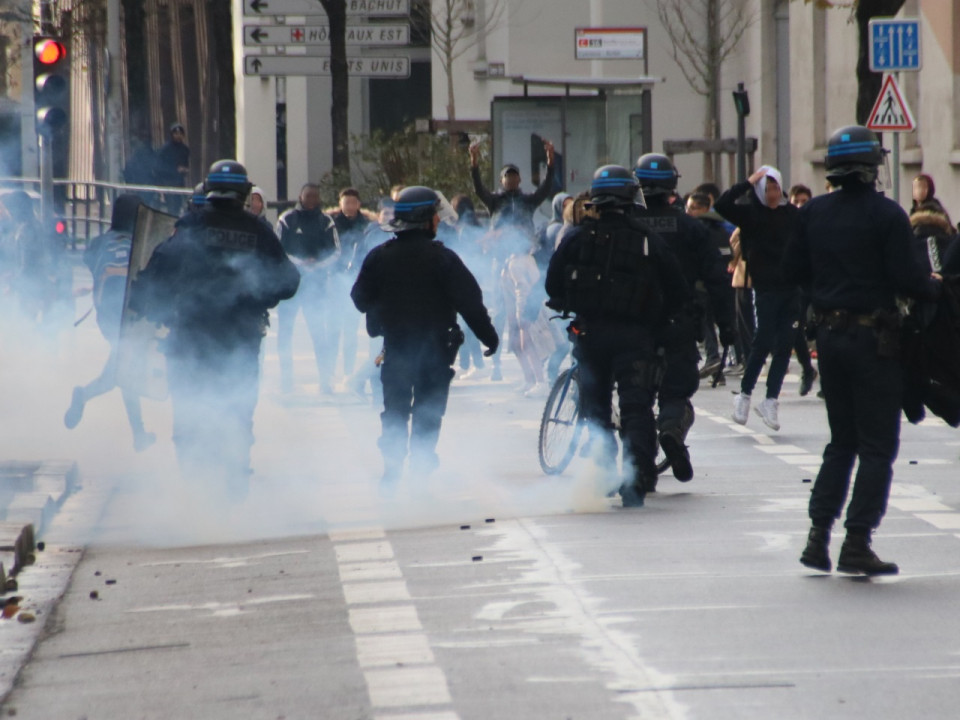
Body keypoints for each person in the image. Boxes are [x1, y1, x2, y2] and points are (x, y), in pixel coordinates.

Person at [784, 126, 942, 575]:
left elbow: (792, 270)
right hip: (875, 341)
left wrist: (827, 293)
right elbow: (909, 278)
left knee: (842, 441)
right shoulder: (887, 214)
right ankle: (857, 541)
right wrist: (935, 288)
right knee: (876, 446)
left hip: (829, 340)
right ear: (872, 168)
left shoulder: (813, 213)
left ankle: (818, 537)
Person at [129, 160, 300, 498]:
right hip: (240, 341)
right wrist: (260, 296)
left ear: (208, 189)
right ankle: (234, 482)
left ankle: (195, 487)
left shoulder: (189, 228)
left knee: (190, 410)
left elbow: (155, 277)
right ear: (244, 191)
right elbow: (289, 281)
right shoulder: (257, 231)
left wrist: (147, 307)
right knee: (237, 411)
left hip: (190, 339)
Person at [545, 166, 691, 507]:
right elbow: (678, 290)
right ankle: (636, 480)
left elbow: (552, 284)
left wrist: (570, 301)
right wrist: (662, 320)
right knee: (636, 409)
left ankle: (602, 474)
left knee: (595, 408)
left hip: (589, 335)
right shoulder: (647, 239)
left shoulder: (576, 238)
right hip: (635, 338)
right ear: (629, 198)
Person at [351, 186, 499, 483]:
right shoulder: (443, 258)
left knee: (394, 413)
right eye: (435, 215)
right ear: (424, 219)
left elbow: (359, 299)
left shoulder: (379, 257)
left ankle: (392, 473)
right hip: (435, 353)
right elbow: (470, 303)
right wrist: (489, 337)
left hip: (396, 350)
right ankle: (419, 476)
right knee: (427, 415)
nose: (439, 220)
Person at [634, 153, 735, 484]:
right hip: (678, 322)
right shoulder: (692, 228)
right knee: (676, 391)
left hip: (636, 325)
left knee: (636, 400)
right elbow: (717, 280)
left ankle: (640, 469)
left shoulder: (628, 225)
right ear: (672, 186)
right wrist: (727, 327)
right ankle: (671, 428)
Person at [64, 195, 155, 451]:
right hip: (131, 318)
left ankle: (139, 434)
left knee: (123, 370)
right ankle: (85, 394)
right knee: (122, 373)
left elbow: (89, 262)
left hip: (107, 319)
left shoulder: (99, 243)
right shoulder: (139, 244)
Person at [716, 165, 799, 431]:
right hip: (764, 288)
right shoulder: (751, 214)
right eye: (768, 188)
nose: (773, 194)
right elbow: (722, 204)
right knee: (762, 342)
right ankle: (744, 395)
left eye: (776, 188)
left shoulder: (792, 214)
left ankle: (771, 400)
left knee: (785, 345)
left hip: (791, 289)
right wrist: (748, 182)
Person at [275, 183, 341, 394]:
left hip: (316, 287)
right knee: (285, 334)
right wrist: (300, 263)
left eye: (315, 196)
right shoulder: (287, 219)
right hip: (290, 287)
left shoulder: (326, 221)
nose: (311, 200)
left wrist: (317, 264)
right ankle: (286, 381)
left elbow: (336, 251)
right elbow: (278, 249)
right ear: (300, 196)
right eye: (308, 196)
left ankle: (325, 381)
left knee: (319, 334)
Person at [326, 188, 375, 386]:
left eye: (353, 202)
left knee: (351, 330)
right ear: (340, 203)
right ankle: (329, 372)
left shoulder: (366, 224)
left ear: (359, 204)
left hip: (356, 280)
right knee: (333, 329)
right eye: (346, 202)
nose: (350, 206)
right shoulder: (331, 223)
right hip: (335, 280)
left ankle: (348, 371)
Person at [685, 191, 736, 384]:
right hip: (721, 284)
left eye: (694, 208)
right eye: (688, 208)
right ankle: (717, 371)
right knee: (713, 323)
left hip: (702, 285)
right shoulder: (721, 230)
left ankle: (713, 359)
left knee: (705, 323)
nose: (689, 212)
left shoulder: (699, 231)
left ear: (706, 209)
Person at [469, 139, 556, 238]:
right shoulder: (495, 200)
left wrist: (550, 161)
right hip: (500, 244)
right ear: (501, 181)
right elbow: (479, 189)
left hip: (525, 243)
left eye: (514, 176)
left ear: (519, 179)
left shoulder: (528, 200)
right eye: (508, 176)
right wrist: (474, 160)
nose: (511, 179)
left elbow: (546, 188)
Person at [788, 184, 818, 397]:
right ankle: (807, 369)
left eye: (804, 201)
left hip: (818, 283)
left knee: (821, 327)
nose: (800, 205)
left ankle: (828, 380)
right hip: (797, 285)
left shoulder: (818, 222)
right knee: (795, 329)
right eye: (796, 201)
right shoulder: (788, 224)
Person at [156, 123, 190, 214]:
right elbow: (159, 167)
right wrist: (174, 170)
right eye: (176, 133)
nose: (178, 136)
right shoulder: (165, 149)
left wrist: (184, 170)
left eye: (180, 134)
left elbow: (185, 165)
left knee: (178, 205)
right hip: (168, 181)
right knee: (171, 207)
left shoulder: (185, 149)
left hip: (179, 182)